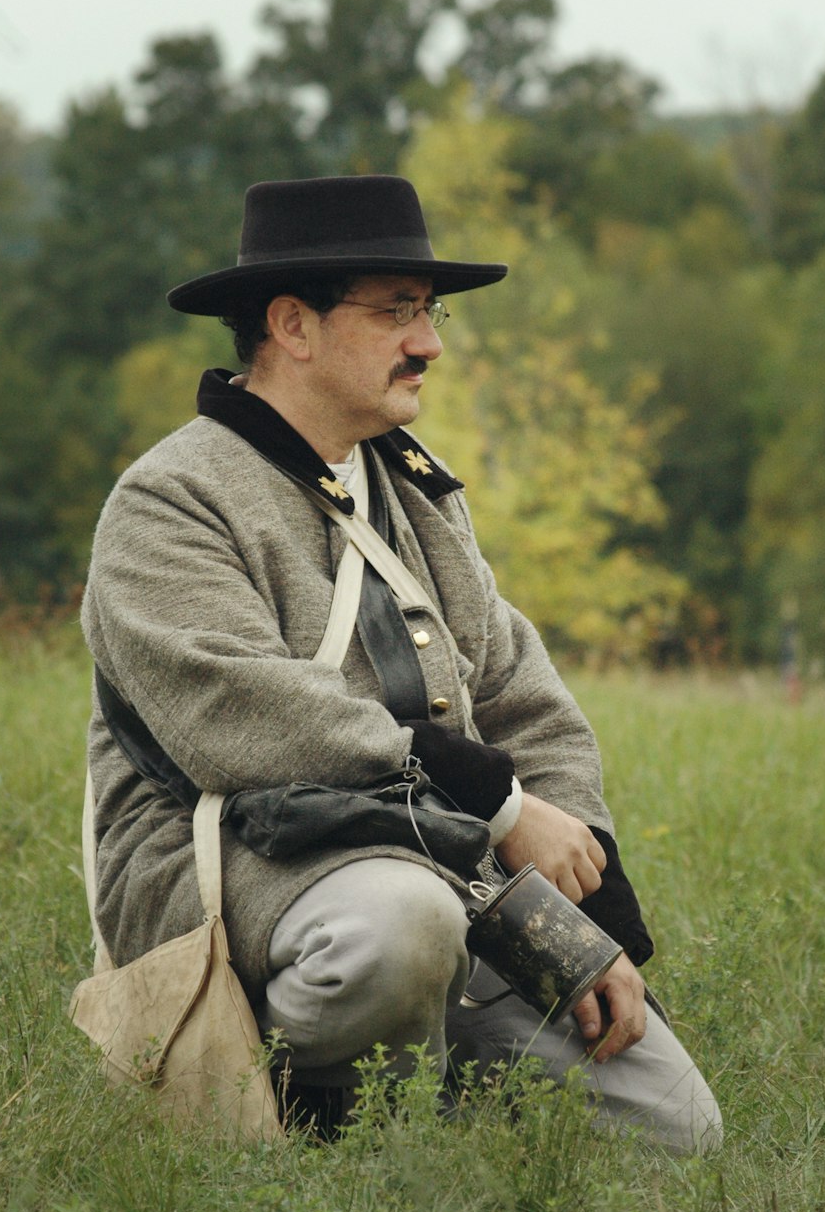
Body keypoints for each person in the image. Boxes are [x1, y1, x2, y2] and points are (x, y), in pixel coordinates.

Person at [81, 175, 721, 1153]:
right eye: (396, 312)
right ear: (293, 325)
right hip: (234, 870)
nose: (429, 342)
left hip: (439, 865)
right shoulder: (169, 501)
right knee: (401, 923)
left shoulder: (414, 491)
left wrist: (587, 930)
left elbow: (518, 696)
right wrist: (498, 807)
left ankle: (429, 1091)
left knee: (676, 1128)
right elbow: (243, 720)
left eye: (428, 311)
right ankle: (323, 1144)